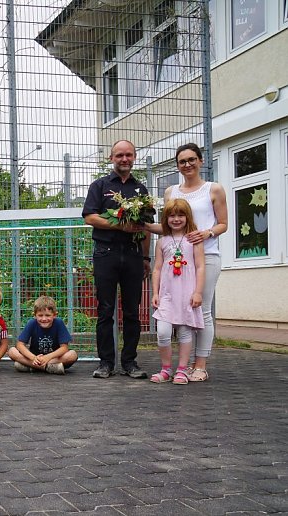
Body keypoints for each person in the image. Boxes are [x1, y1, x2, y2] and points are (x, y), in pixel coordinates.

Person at [148, 143, 227, 382]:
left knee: (201, 311)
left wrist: (207, 233)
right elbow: (167, 225)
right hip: (176, 261)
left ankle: (199, 364)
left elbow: (223, 223)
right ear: (178, 165)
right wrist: (140, 226)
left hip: (206, 256)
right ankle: (180, 366)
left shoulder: (213, 189)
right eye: (182, 161)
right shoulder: (172, 191)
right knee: (176, 314)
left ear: (201, 161)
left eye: (192, 159)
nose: (188, 164)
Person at [82, 139, 152, 379]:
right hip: (106, 254)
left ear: (134, 157)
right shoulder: (99, 186)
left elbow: (145, 226)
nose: (125, 159)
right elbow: (90, 217)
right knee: (105, 310)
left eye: (129, 155)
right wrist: (121, 226)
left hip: (133, 256)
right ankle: (106, 363)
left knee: (132, 311)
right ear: (111, 158)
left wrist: (146, 257)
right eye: (120, 155)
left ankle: (130, 362)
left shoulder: (141, 190)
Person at [150, 199, 205, 385]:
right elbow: (157, 268)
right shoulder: (162, 242)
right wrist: (155, 293)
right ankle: (166, 369)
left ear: (187, 217)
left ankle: (182, 370)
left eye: (180, 215)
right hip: (167, 295)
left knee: (184, 332)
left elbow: (200, 267)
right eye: (172, 215)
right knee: (163, 332)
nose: (176, 219)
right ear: (166, 218)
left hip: (186, 294)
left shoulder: (194, 239)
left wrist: (198, 292)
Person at [9, 295, 78, 375]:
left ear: (54, 315)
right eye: (40, 315)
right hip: (34, 357)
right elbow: (20, 345)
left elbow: (64, 348)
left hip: (53, 358)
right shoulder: (32, 323)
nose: (44, 319)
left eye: (48, 315)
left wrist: (47, 357)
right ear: (35, 315)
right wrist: (33, 358)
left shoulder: (59, 323)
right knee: (12, 351)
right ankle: (48, 367)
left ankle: (32, 366)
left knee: (72, 355)